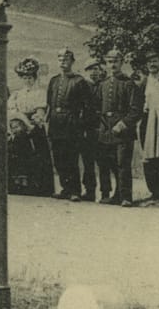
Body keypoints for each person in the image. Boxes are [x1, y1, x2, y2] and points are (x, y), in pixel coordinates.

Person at [94, 49, 142, 207]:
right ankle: (109, 194)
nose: (112, 65)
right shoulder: (102, 84)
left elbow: (136, 110)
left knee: (122, 164)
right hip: (105, 130)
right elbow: (96, 108)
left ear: (121, 63)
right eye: (109, 61)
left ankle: (125, 196)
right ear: (106, 64)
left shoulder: (129, 84)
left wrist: (122, 124)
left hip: (123, 132)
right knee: (106, 163)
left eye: (115, 61)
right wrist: (100, 126)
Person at [45, 48, 93, 200]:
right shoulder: (53, 81)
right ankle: (65, 188)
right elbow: (49, 104)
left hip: (71, 124)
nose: (62, 62)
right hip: (55, 123)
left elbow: (87, 106)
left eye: (66, 59)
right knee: (59, 158)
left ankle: (75, 191)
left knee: (71, 157)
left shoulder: (79, 81)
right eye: (60, 59)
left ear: (72, 62)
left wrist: (82, 125)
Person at [7, 57, 54, 197]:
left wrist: (33, 122)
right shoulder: (17, 94)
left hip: (34, 127)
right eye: (25, 77)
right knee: (17, 153)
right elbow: (12, 110)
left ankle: (40, 187)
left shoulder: (40, 93)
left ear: (34, 78)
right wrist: (20, 121)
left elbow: (40, 111)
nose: (28, 80)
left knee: (37, 154)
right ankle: (19, 185)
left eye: (30, 78)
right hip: (19, 126)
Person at [137, 54, 159, 202]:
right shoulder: (144, 82)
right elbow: (137, 102)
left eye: (155, 61)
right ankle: (156, 192)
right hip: (147, 121)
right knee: (149, 156)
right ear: (146, 65)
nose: (152, 64)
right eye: (149, 61)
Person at [81, 59, 110, 202]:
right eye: (91, 69)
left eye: (96, 69)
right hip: (87, 128)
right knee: (88, 162)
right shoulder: (82, 87)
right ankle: (89, 191)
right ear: (86, 72)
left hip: (102, 127)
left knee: (103, 162)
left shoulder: (104, 86)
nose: (94, 72)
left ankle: (105, 193)